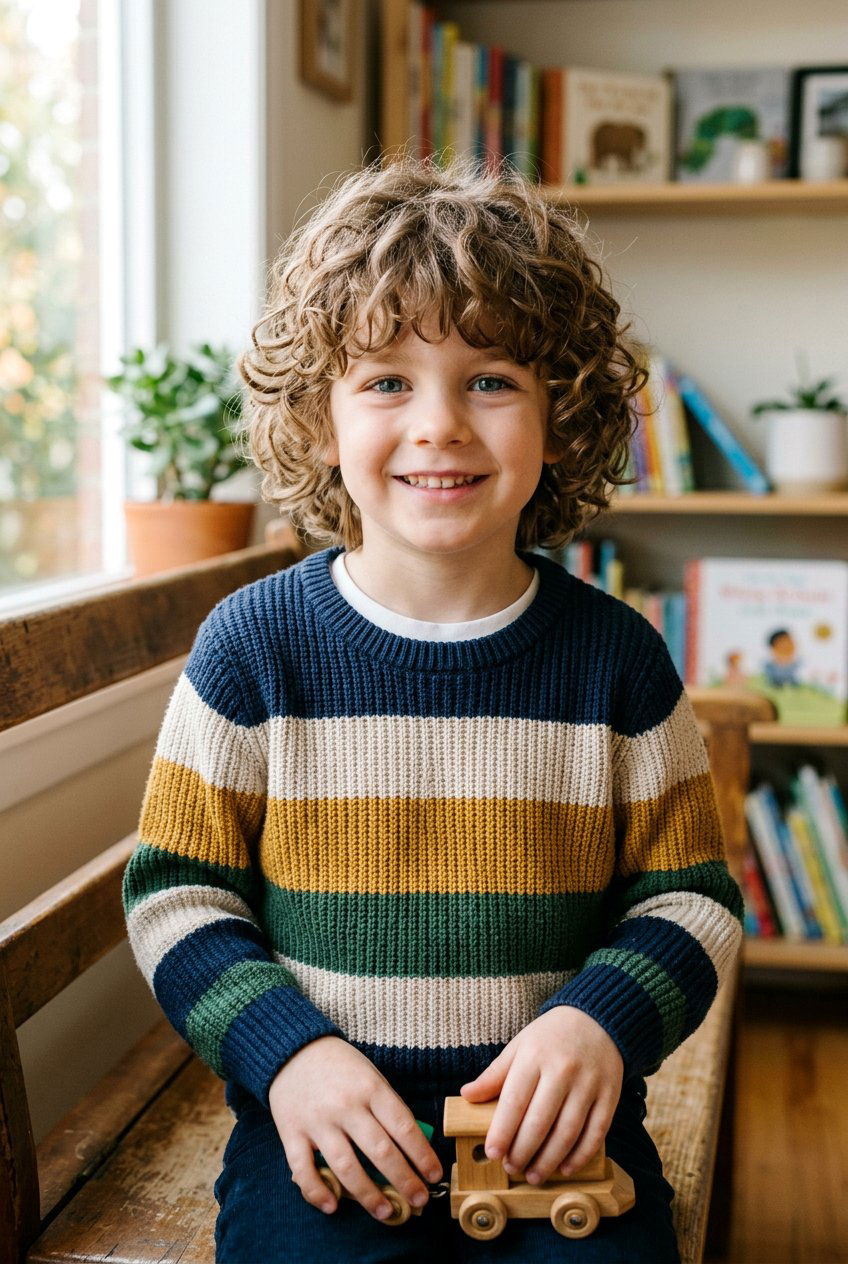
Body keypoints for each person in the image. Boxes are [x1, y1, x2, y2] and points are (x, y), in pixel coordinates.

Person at [122, 152, 743, 1263]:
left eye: (490, 379)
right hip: (324, 1105)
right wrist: (289, 1056)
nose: (440, 424)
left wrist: (596, 1022)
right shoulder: (253, 648)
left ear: (563, 413)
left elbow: (687, 900)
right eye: (386, 381)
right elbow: (177, 894)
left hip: (550, 1112)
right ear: (319, 418)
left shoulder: (618, 662)